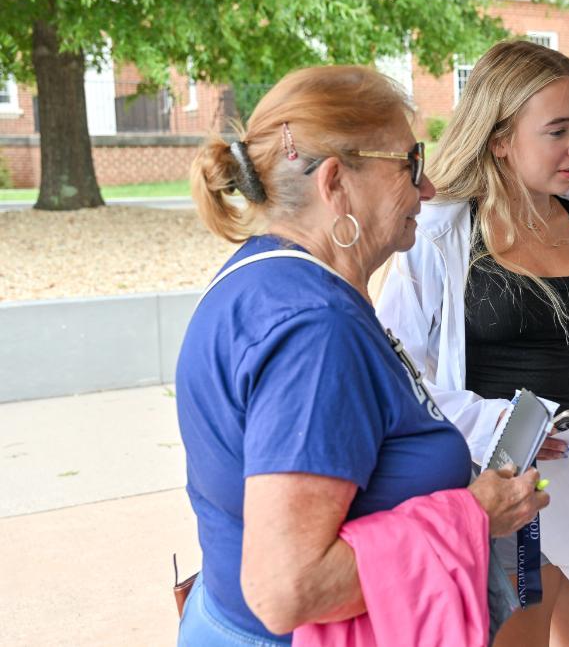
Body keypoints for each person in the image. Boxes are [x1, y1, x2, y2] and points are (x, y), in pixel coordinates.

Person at [175, 65, 547, 645]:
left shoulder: (261, 274)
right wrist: (474, 517)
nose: (427, 190)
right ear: (334, 182)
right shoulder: (316, 330)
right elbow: (288, 589)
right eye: (410, 164)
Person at [377, 40, 569, 646]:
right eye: (558, 130)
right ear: (500, 137)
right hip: (502, 496)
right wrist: (498, 426)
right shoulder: (439, 234)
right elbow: (397, 371)